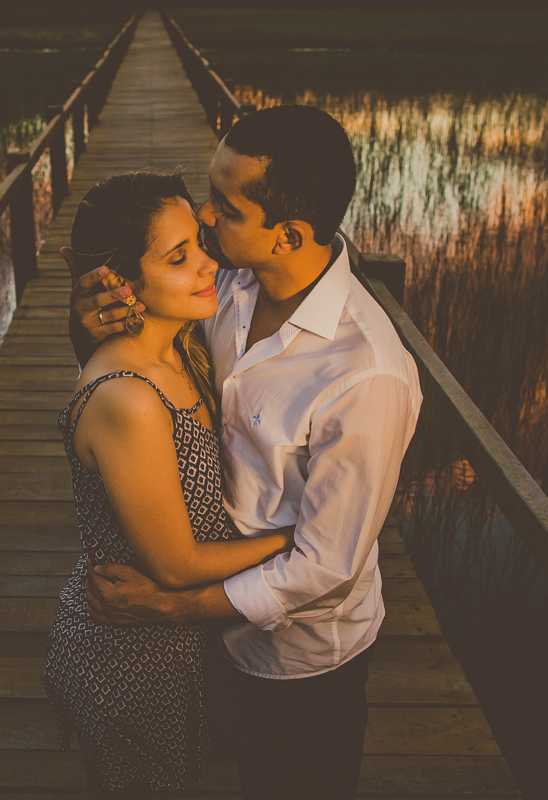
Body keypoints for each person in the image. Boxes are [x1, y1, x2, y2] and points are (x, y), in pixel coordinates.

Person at [64, 105, 423, 799]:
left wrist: (174, 606)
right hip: (209, 631)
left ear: (287, 235)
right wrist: (92, 328)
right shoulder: (226, 284)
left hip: (299, 662)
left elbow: (326, 567)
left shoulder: (366, 374)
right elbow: (136, 366)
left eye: (225, 208)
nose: (203, 217)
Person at [43, 170, 297, 799]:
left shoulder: (185, 344)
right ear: (122, 281)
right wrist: (296, 536)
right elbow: (178, 564)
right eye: (178, 257)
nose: (208, 264)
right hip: (128, 650)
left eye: (201, 244)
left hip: (178, 641)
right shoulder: (127, 397)